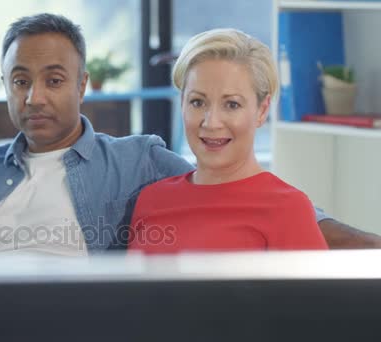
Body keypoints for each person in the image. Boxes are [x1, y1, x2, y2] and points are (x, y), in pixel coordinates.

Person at [0, 14, 379, 262]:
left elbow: (257, 200)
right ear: (4, 87)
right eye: (20, 82)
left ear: (83, 85)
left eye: (53, 80)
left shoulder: (137, 163)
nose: (35, 98)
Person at [129, 29, 328, 253]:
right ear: (182, 103)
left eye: (232, 104)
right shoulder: (151, 199)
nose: (212, 122)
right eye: (197, 102)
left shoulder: (289, 209)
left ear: (262, 111)